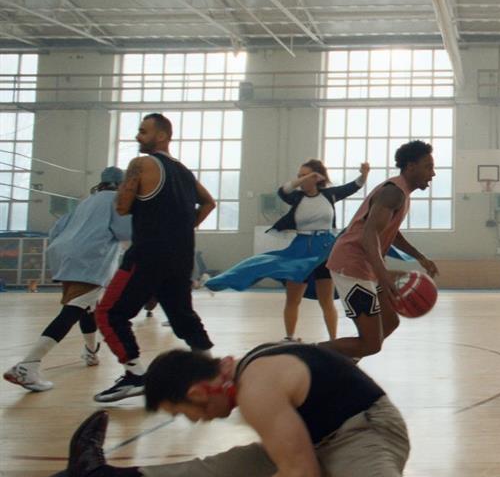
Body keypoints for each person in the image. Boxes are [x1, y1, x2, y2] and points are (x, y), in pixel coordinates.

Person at [48, 343, 500, 477]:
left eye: (184, 410)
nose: (194, 420)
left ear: (201, 387)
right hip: (327, 437)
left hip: (368, 435)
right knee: (223, 473)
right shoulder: (244, 374)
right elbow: (297, 466)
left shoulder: (255, 386)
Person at [93, 113, 217, 403]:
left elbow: (122, 207)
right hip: (180, 255)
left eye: (143, 131)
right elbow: (210, 202)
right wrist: (182, 227)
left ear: (161, 135)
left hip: (148, 253)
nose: (138, 136)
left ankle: (135, 375)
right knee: (182, 315)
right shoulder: (184, 171)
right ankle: (210, 370)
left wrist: (127, 192)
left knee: (109, 313)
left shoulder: (141, 164)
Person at [206, 160, 369, 341]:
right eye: (299, 175)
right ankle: (289, 337)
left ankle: (333, 340)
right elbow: (283, 191)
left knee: (326, 301)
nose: (300, 179)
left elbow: (355, 186)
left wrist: (364, 173)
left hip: (325, 250)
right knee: (293, 299)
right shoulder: (296, 197)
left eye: (305, 175)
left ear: (317, 177)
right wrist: (304, 178)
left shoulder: (329, 195)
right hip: (301, 251)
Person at [4, 168, 132, 392]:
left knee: (88, 306)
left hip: (64, 253)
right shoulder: (117, 201)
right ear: (122, 184)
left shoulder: (86, 202)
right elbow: (124, 231)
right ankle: (28, 365)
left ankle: (91, 352)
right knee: (74, 309)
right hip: (91, 257)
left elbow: (56, 229)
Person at [323, 140, 440, 359]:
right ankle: (305, 354)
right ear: (410, 166)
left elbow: (390, 232)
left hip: (364, 265)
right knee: (371, 343)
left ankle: (344, 365)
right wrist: (383, 274)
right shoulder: (393, 192)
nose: (432, 173)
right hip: (351, 265)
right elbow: (369, 235)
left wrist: (420, 257)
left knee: (389, 321)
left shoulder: (400, 193)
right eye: (428, 166)